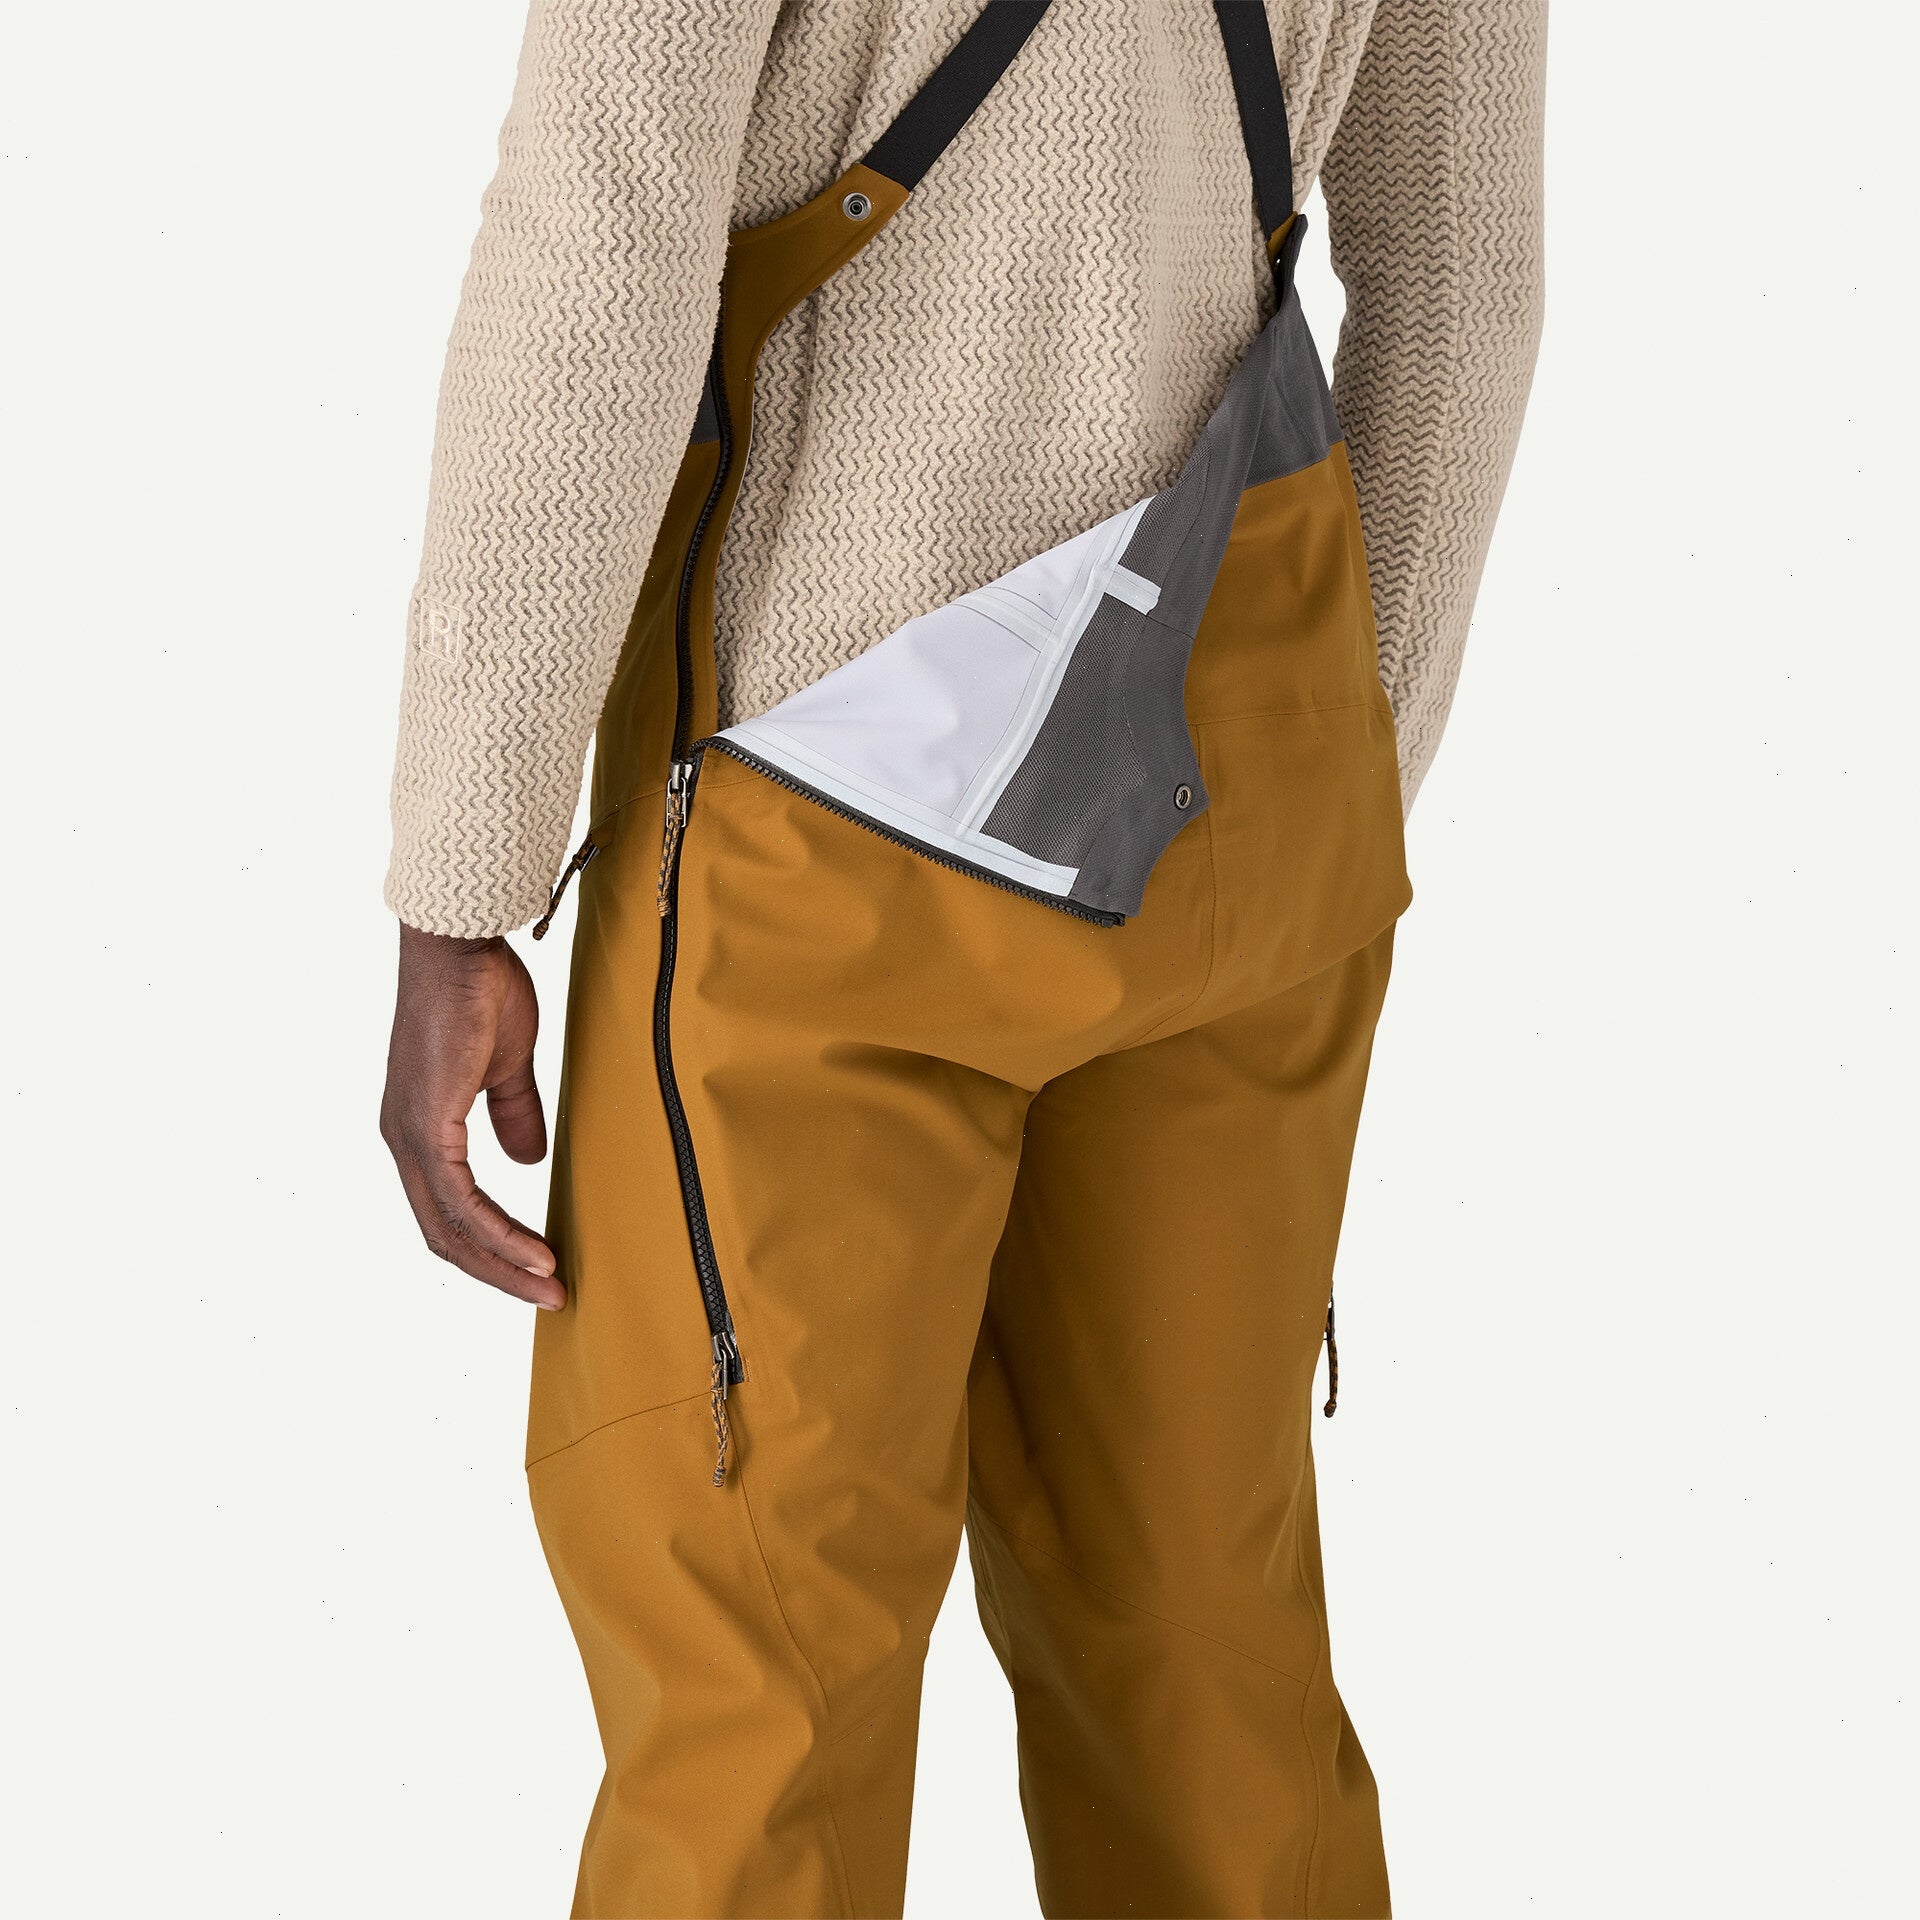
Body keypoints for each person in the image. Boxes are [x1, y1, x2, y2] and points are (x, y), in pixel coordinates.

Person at [378, 3, 1544, 1913]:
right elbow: (1465, 278)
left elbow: (605, 238)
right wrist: (1335, 778)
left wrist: (465, 873)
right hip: (1240, 825)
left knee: (761, 1704)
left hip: (816, 816)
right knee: (1207, 1659)